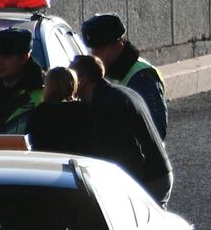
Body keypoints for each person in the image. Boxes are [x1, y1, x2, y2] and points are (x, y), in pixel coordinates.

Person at [68, 55, 173, 205]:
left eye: (71, 77)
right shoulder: (119, 92)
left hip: (148, 179)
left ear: (83, 80)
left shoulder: (105, 103)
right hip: (159, 173)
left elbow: (126, 151)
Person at [81, 13, 168, 139]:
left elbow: (155, 130)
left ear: (118, 46)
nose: (94, 54)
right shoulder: (103, 72)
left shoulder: (142, 78)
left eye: (100, 48)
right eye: (92, 49)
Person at [26, 66, 93, 153]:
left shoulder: (41, 112)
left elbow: (31, 141)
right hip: (76, 161)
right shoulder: (83, 111)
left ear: (49, 86)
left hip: (46, 161)